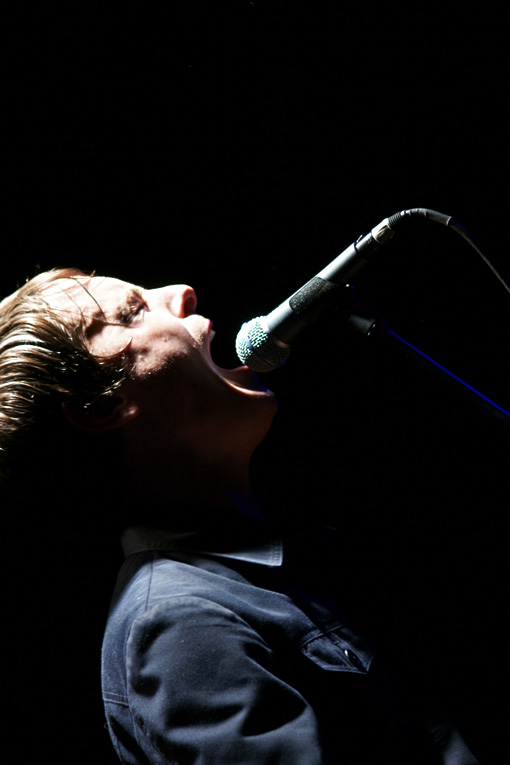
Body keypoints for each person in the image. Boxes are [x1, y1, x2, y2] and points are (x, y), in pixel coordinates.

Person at [0, 268, 481, 763]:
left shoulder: (289, 562)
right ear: (101, 406)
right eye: (133, 311)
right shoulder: (180, 627)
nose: (181, 290)